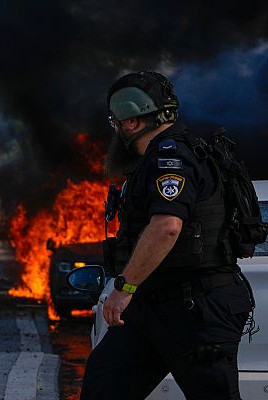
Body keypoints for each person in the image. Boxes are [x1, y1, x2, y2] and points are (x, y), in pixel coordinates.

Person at [80, 71, 255, 399]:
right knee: (103, 389)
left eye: (115, 122)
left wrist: (125, 287)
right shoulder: (159, 157)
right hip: (152, 307)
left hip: (196, 308)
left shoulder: (170, 158)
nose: (114, 130)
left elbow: (166, 226)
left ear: (131, 123)